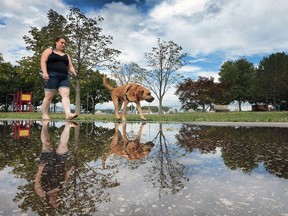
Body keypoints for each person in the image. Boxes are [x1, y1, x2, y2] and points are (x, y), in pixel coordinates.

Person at [34, 120, 77, 208]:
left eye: (54, 202)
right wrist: (70, 169)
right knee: (63, 146)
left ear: (49, 202)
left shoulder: (42, 193)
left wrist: (40, 170)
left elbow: (37, 182)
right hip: (60, 164)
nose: (56, 200)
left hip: (47, 165)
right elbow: (65, 178)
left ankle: (44, 125)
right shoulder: (60, 188)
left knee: (47, 142)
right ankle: (68, 126)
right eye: (58, 201)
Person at [40, 36, 78, 120]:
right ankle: (44, 114)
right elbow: (43, 61)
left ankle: (68, 114)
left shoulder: (66, 55)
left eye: (65, 43)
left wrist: (74, 72)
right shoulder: (49, 51)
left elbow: (70, 66)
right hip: (52, 76)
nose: (63, 44)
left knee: (65, 95)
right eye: (62, 42)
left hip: (64, 77)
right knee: (49, 97)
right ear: (56, 42)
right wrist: (45, 73)